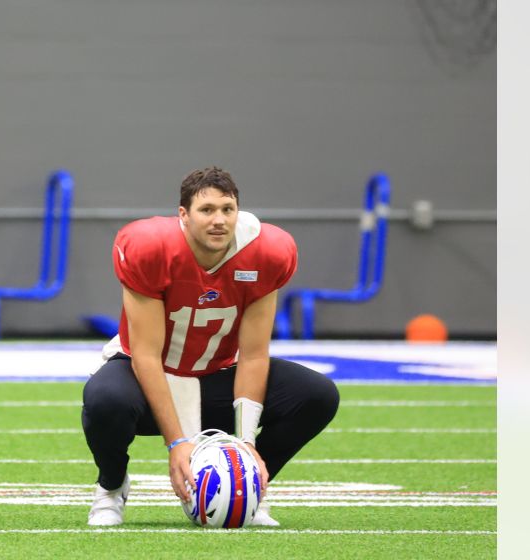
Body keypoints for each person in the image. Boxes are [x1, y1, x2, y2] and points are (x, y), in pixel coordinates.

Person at [80, 166, 340, 527]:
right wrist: (177, 445)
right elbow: (146, 356)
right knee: (104, 400)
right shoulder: (151, 248)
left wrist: (247, 442)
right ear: (183, 216)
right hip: (146, 373)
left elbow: (252, 354)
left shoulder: (267, 252)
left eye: (227, 209)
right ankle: (111, 488)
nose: (219, 220)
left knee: (317, 394)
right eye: (207, 210)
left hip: (218, 374)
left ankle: (246, 488)